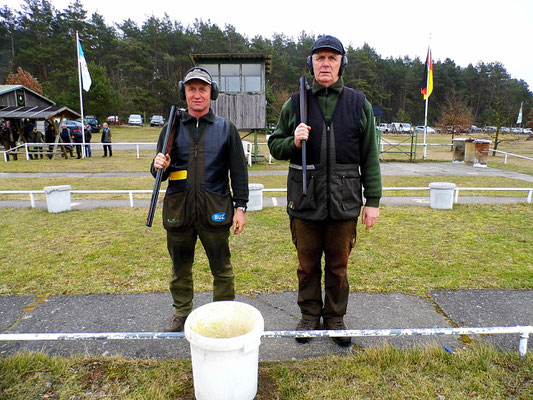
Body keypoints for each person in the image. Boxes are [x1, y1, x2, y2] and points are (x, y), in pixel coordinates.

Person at [268, 35, 382, 347]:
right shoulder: (296, 103)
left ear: (341, 64)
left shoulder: (359, 104)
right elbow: (274, 146)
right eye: (320, 58)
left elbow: (370, 156)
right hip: (304, 199)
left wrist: (372, 201)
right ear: (312, 63)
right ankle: (308, 315)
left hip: (344, 201)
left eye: (332, 58)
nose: (326, 63)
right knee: (306, 265)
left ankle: (334, 317)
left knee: (338, 266)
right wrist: (293, 139)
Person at [151, 67, 249, 332]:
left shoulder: (225, 129)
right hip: (178, 212)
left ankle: (224, 313)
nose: (197, 95)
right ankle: (182, 312)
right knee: (180, 268)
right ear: (184, 92)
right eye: (191, 89)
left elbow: (239, 172)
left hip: (215, 212)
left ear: (211, 93)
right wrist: (160, 164)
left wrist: (240, 208)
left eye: (202, 89)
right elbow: (158, 172)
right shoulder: (170, 128)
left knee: (222, 269)